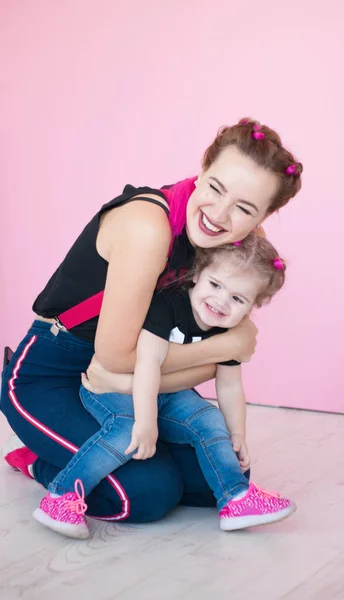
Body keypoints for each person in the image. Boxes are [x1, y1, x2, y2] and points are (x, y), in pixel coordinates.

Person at [1, 118, 303, 524]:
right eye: (215, 187)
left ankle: (80, 450)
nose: (220, 214)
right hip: (52, 370)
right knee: (149, 493)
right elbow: (118, 357)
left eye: (245, 208)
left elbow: (217, 335)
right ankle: (40, 462)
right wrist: (222, 353)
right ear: (202, 170)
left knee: (223, 471)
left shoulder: (243, 243)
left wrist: (134, 384)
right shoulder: (148, 227)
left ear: (263, 215)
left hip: (133, 382)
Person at [32, 234, 295, 538]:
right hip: (112, 389)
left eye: (238, 299)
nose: (221, 301)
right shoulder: (168, 304)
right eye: (215, 285)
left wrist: (237, 435)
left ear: (252, 306)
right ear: (197, 274)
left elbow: (230, 387)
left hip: (166, 395)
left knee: (209, 419)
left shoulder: (230, 328)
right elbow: (147, 365)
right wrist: (146, 423)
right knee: (125, 429)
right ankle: (62, 496)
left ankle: (235, 498)